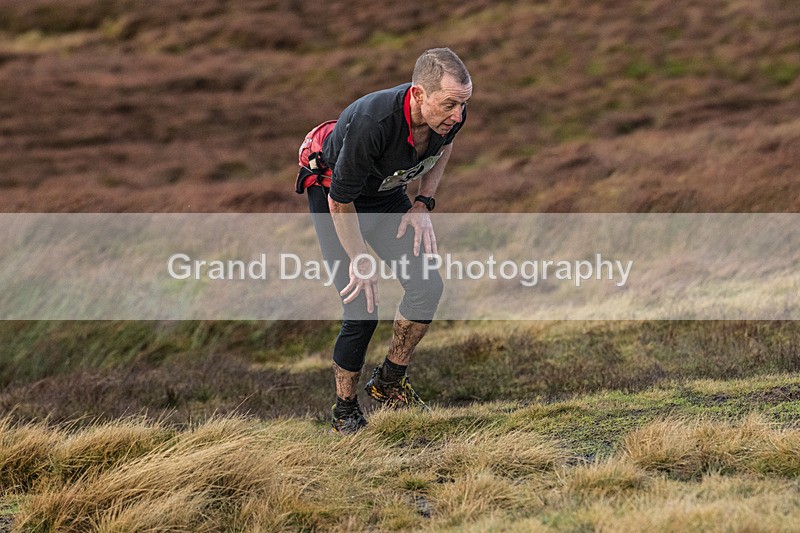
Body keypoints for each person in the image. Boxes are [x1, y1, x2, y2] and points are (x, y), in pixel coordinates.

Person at [296, 48, 471, 433]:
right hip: (337, 197)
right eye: (450, 105)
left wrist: (422, 203)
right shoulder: (371, 123)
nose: (458, 115)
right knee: (361, 307)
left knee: (427, 286)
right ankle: (345, 410)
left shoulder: (449, 116)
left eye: (463, 104)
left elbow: (446, 147)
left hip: (386, 192)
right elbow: (339, 200)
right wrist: (359, 256)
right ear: (418, 94)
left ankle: (390, 382)